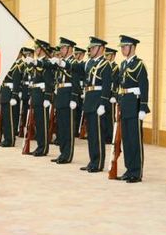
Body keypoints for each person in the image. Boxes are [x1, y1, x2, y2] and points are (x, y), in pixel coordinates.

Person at [116, 35, 149, 183]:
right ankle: (129, 169)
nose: (122, 49)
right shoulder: (123, 64)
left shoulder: (139, 64)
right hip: (125, 103)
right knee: (127, 140)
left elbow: (144, 86)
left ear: (132, 47)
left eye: (125, 46)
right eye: (122, 46)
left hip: (134, 104)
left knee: (135, 140)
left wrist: (143, 106)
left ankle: (136, 172)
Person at [78, 36, 112, 172]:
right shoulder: (89, 63)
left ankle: (98, 163)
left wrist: (103, 103)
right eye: (90, 48)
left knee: (98, 134)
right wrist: (62, 64)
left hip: (98, 101)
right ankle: (92, 160)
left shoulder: (105, 65)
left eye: (93, 47)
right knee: (91, 134)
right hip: (89, 100)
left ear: (100, 48)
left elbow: (106, 85)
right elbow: (75, 67)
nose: (90, 50)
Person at [48, 37, 80, 164]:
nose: (61, 50)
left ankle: (67, 154)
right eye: (60, 48)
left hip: (68, 97)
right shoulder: (61, 62)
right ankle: (62, 153)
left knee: (68, 128)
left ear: (70, 49)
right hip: (60, 96)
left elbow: (76, 82)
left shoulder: (75, 63)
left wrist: (74, 98)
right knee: (61, 127)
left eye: (63, 47)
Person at [24, 40, 54, 157]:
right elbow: (33, 80)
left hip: (42, 95)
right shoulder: (36, 63)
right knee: (37, 123)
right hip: (36, 94)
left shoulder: (46, 63)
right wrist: (31, 94)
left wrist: (47, 96)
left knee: (43, 123)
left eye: (37, 48)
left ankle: (43, 147)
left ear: (42, 49)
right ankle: (39, 145)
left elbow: (49, 81)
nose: (35, 50)